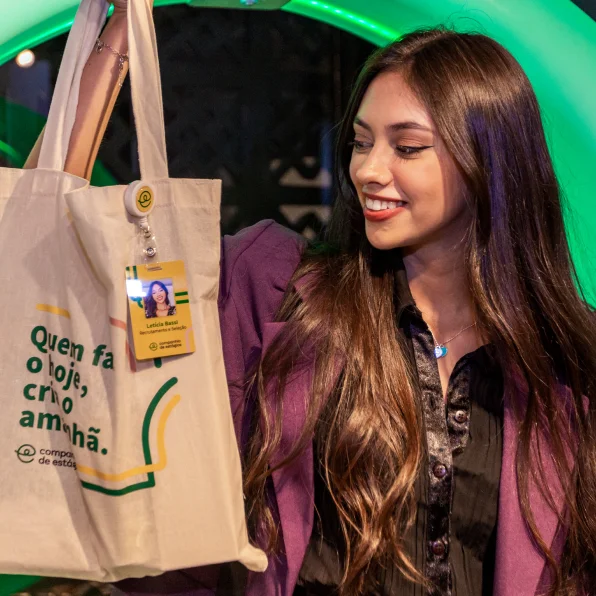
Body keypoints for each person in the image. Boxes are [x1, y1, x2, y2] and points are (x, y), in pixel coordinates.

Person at [27, 2, 596, 594]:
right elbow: (56, 240)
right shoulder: (278, 291)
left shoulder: (567, 364)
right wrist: (117, 36)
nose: (369, 171)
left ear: (490, 162)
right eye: (361, 141)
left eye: (407, 148)